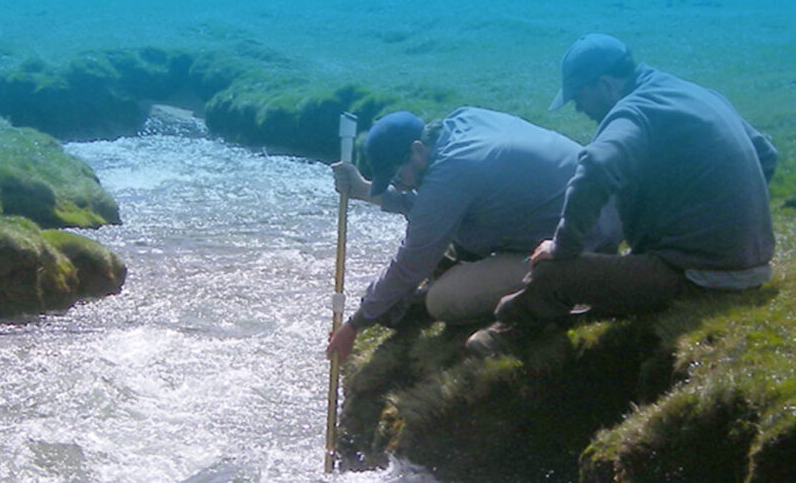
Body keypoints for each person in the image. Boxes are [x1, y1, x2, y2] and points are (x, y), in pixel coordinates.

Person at [466, 33, 778, 356]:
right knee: (614, 270)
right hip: (752, 264)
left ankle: (508, 331)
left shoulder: (635, 110)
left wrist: (563, 246)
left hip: (699, 275)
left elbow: (597, 166)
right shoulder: (692, 93)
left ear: (605, 84)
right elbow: (765, 154)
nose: (579, 109)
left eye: (579, 97)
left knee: (555, 273)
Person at [325, 107, 622, 363]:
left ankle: (555, 297)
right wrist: (364, 190)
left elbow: (411, 261)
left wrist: (355, 324)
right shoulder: (462, 123)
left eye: (396, 177)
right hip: (602, 212)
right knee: (449, 246)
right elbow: (435, 206)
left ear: (417, 149)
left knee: (442, 301)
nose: (399, 187)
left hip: (584, 244)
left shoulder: (451, 174)